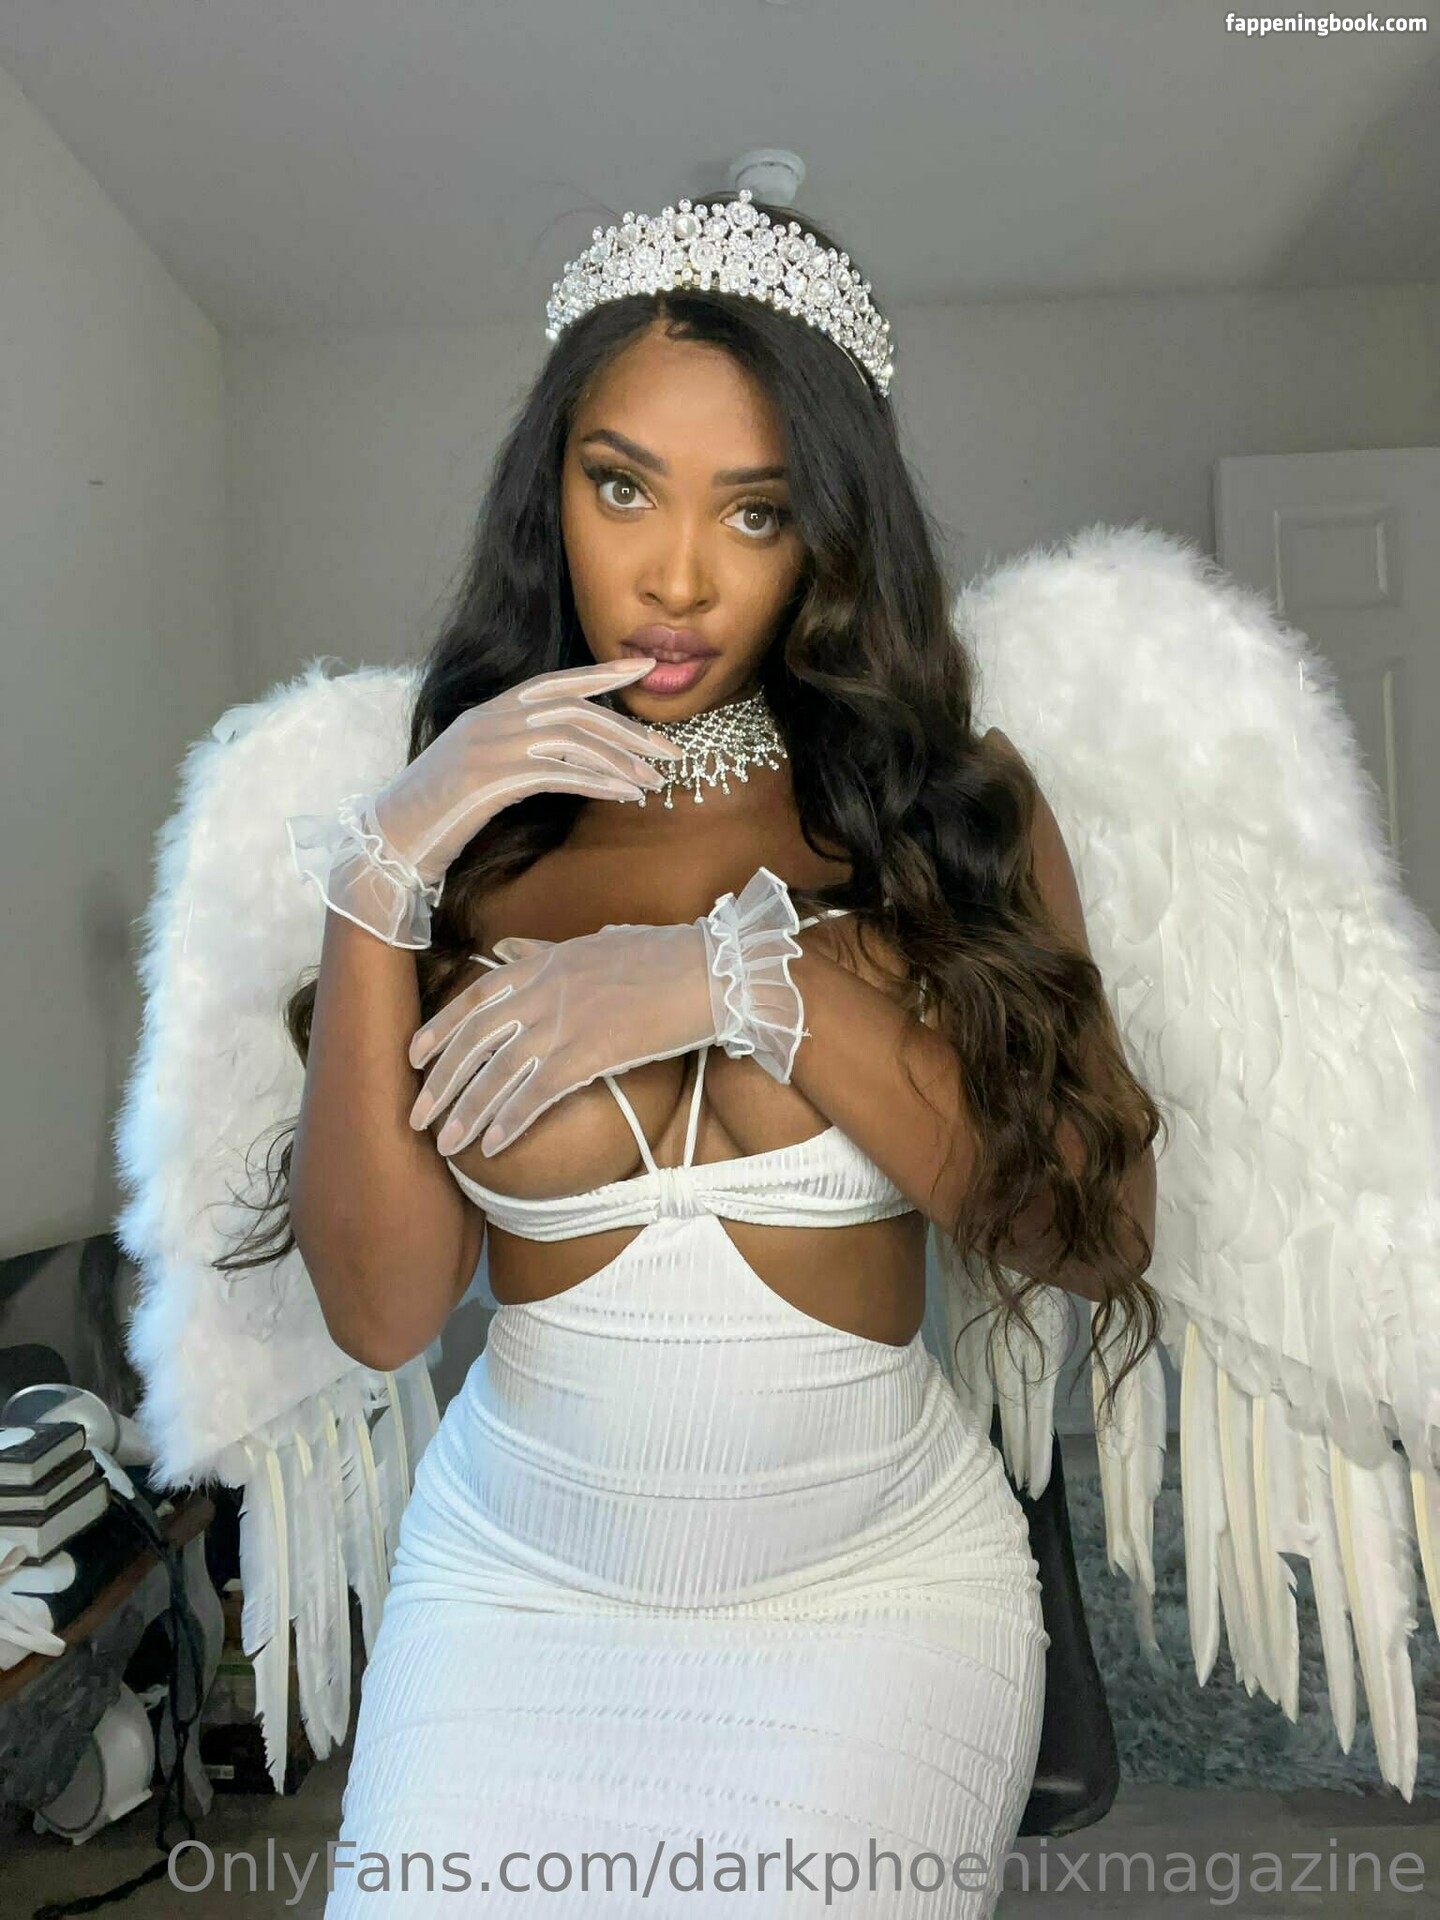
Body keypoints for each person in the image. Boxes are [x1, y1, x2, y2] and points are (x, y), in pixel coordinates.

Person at [256, 192, 1163, 1915]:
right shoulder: (467, 847)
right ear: (551, 496)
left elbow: (1091, 1230)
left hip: (869, 1609)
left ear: (830, 535)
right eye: (624, 489)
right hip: (512, 1597)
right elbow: (381, 1313)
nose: (678, 576)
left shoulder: (944, 814)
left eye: (756, 510)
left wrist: (745, 983)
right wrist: (383, 866)